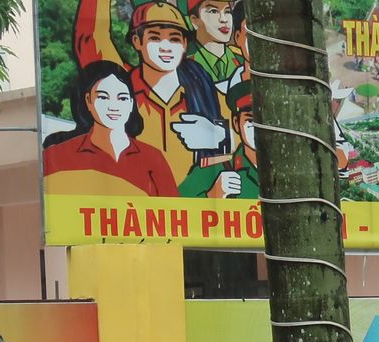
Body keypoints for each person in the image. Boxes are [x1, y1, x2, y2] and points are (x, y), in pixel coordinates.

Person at [73, 0, 228, 186]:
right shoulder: (121, 91)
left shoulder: (206, 94)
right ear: (137, 41)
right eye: (155, 38)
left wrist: (219, 137)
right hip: (134, 205)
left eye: (174, 39)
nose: (165, 47)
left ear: (185, 44)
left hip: (193, 206)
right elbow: (91, 39)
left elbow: (245, 140)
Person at [42, 62, 182, 198]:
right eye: (103, 97)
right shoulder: (57, 156)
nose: (113, 106)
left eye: (122, 98)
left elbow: (173, 212)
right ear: (88, 100)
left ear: (131, 103)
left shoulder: (153, 158)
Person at [179, 89, 259, 198]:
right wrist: (213, 194)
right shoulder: (215, 169)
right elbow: (172, 204)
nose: (259, 129)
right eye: (250, 121)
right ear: (236, 123)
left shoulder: (287, 170)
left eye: (267, 121)